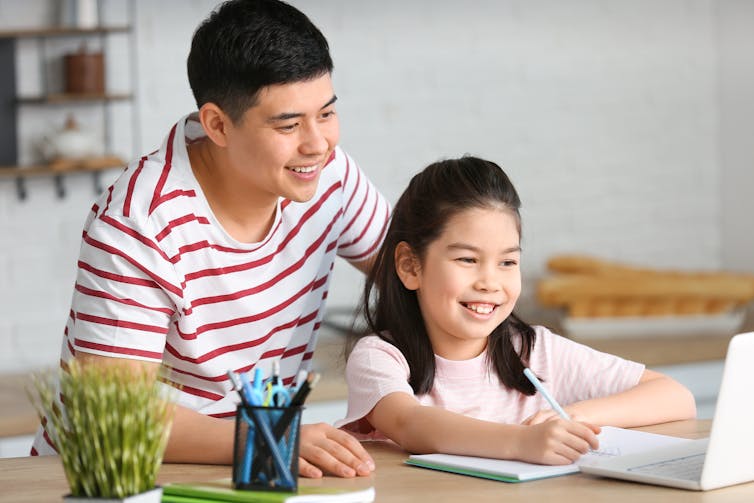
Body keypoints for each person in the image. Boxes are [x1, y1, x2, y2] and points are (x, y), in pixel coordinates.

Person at [32, 0, 390, 479]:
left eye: (325, 114)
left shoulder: (329, 174)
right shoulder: (139, 221)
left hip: (255, 464)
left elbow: (415, 275)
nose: (317, 143)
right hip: (114, 474)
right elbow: (110, 413)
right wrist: (273, 436)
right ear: (218, 124)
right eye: (288, 124)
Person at [335, 156, 696, 465]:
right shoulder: (379, 358)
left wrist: (570, 417)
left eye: (507, 262)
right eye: (467, 259)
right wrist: (520, 443)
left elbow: (676, 396)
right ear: (410, 266)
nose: (490, 282)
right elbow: (410, 424)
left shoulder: (536, 350)